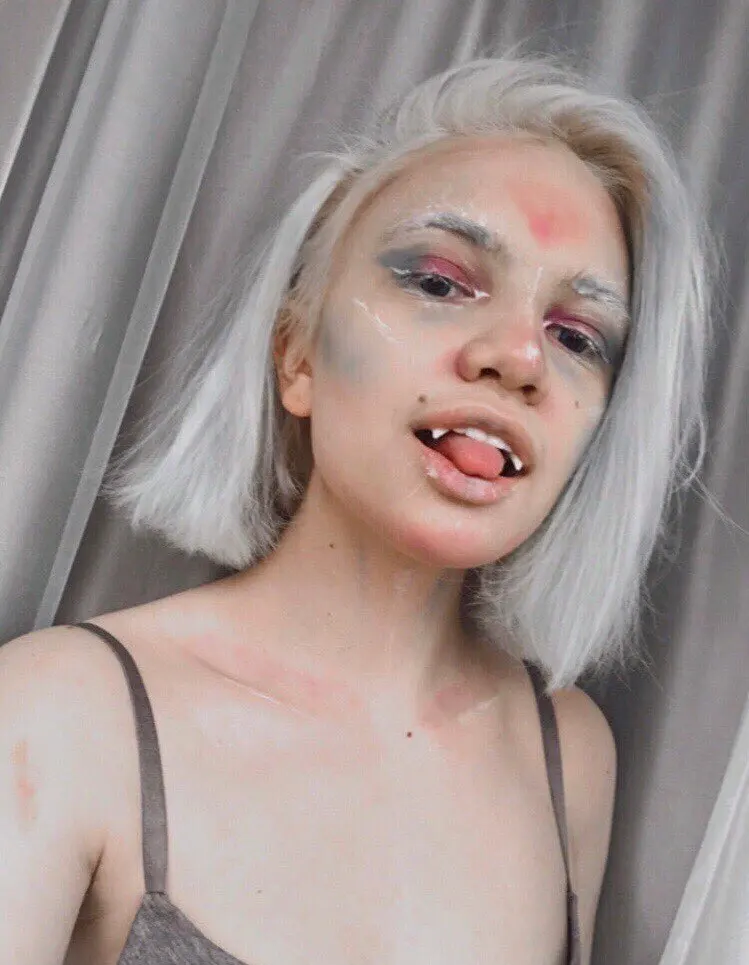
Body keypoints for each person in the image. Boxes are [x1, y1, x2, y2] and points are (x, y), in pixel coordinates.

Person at [0, 53, 710, 965]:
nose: (520, 358)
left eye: (576, 336)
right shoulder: (58, 712)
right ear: (295, 352)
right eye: (440, 282)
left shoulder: (568, 760)